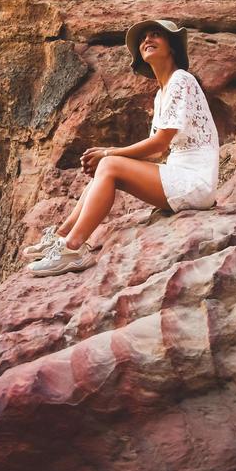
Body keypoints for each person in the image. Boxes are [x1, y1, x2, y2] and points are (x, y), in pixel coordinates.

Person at [24, 18, 220, 278]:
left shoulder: (181, 80)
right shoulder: (161, 94)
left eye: (155, 35)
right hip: (179, 174)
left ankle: (72, 250)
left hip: (195, 182)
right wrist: (108, 155)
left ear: (171, 47)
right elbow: (159, 152)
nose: (146, 40)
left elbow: (160, 143)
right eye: (142, 39)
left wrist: (109, 152)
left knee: (110, 164)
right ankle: (61, 237)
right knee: (107, 168)